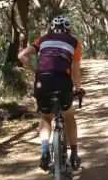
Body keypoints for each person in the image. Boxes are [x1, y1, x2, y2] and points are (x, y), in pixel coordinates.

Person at [18, 15, 85, 171]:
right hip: (62, 81)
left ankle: (44, 151)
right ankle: (74, 154)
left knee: (46, 117)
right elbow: (75, 69)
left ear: (52, 28)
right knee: (68, 116)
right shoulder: (74, 42)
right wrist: (78, 87)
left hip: (43, 81)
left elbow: (21, 56)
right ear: (68, 29)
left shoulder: (42, 40)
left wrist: (35, 70)